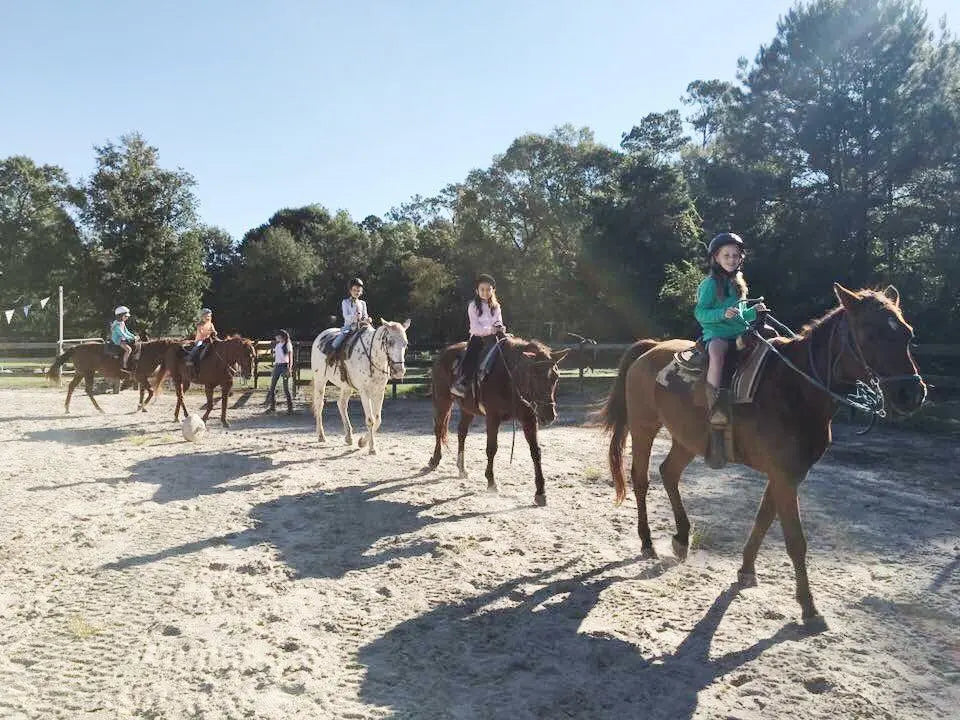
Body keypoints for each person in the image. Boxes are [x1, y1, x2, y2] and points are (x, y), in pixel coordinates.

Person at [694, 233, 767, 428]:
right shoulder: (709, 284)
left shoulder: (739, 283)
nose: (731, 259)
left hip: (739, 332)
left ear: (740, 258)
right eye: (726, 255)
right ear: (716, 258)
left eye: (735, 255)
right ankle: (715, 405)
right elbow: (700, 313)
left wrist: (754, 312)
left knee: (771, 337)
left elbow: (741, 315)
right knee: (717, 353)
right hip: (717, 334)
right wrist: (721, 314)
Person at [451, 273, 506, 398]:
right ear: (477, 291)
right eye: (482, 289)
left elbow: (498, 320)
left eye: (488, 289)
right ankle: (463, 382)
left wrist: (499, 327)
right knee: (472, 353)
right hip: (478, 337)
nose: (485, 292)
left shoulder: (496, 307)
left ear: (493, 290)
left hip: (494, 337)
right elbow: (475, 328)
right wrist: (490, 330)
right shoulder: (473, 306)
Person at [328, 278, 370, 364]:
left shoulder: (363, 303)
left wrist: (367, 319)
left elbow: (365, 315)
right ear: (350, 291)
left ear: (361, 292)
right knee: (342, 336)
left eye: (358, 290)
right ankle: (332, 352)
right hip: (349, 327)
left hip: (361, 327)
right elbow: (346, 316)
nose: (357, 292)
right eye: (354, 290)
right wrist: (355, 317)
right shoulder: (345, 302)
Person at [265, 329, 294, 415]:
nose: (276, 337)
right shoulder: (277, 345)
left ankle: (290, 408)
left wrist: (289, 368)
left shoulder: (288, 344)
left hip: (285, 366)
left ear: (282, 336)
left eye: (277, 336)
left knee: (286, 389)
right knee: (272, 387)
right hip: (277, 366)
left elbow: (290, 357)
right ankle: (273, 407)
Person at [186, 308, 218, 377]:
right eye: (207, 316)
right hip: (200, 340)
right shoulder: (199, 325)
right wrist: (210, 333)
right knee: (197, 347)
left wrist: (215, 332)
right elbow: (202, 333)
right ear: (203, 316)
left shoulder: (211, 324)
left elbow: (214, 331)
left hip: (209, 340)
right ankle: (190, 358)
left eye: (209, 316)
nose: (208, 318)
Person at [110, 306, 137, 371]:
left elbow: (126, 331)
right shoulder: (116, 325)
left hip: (122, 339)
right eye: (125, 316)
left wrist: (133, 336)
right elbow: (122, 334)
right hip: (117, 340)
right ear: (120, 316)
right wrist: (131, 338)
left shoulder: (122, 322)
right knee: (128, 349)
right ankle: (124, 365)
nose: (127, 318)